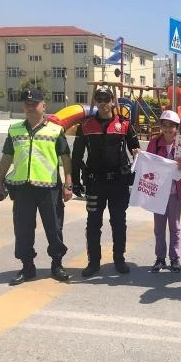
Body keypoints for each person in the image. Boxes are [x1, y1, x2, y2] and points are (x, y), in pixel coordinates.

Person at [0, 88, 72, 285]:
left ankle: (57, 264)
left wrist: (68, 184)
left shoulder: (55, 130)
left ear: (43, 106)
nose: (30, 106)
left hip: (49, 188)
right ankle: (27, 267)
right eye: (27, 103)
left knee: (54, 228)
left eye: (34, 103)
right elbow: (6, 158)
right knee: (23, 229)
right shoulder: (15, 130)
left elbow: (65, 158)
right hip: (22, 188)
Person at [71, 86, 140, 277]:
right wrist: (76, 182)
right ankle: (93, 262)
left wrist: (136, 172)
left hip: (119, 183)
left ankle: (119, 260)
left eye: (106, 99)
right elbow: (76, 156)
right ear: (95, 102)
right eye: (99, 99)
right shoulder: (85, 126)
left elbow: (137, 152)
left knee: (119, 222)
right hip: (95, 183)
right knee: (93, 223)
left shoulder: (125, 124)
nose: (103, 103)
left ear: (112, 101)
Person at [146, 110, 181, 273]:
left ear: (177, 128)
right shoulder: (154, 142)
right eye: (164, 125)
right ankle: (160, 258)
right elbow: (148, 164)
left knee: (174, 226)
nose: (167, 129)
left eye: (171, 126)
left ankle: (174, 258)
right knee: (159, 227)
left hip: (175, 192)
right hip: (158, 192)